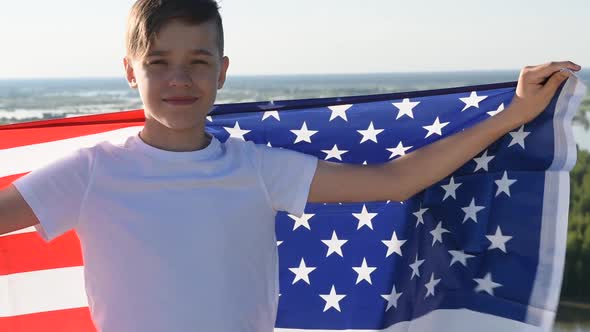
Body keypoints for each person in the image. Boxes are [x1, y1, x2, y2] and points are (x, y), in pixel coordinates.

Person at [0, 0, 581, 331]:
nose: (180, 78)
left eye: (198, 62)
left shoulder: (254, 167)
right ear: (131, 72)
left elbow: (396, 179)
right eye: (159, 62)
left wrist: (513, 115)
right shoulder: (91, 170)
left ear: (222, 71)